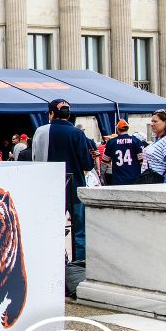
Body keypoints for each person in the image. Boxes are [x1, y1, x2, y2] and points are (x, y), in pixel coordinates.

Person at [43, 99, 95, 265]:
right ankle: (79, 265)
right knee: (80, 230)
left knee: (51, 227)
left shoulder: (42, 132)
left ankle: (53, 262)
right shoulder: (77, 133)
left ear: (51, 113)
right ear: (69, 114)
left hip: (50, 185)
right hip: (76, 186)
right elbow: (87, 164)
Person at [136, 110, 166, 184]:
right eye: (152, 121)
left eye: (155, 121)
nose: (152, 124)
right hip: (153, 182)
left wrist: (165, 188)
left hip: (162, 184)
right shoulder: (159, 139)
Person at [104, 121, 144, 186]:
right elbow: (142, 161)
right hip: (135, 178)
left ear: (117, 129)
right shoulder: (136, 141)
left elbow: (105, 161)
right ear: (128, 128)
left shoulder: (111, 142)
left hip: (118, 179)